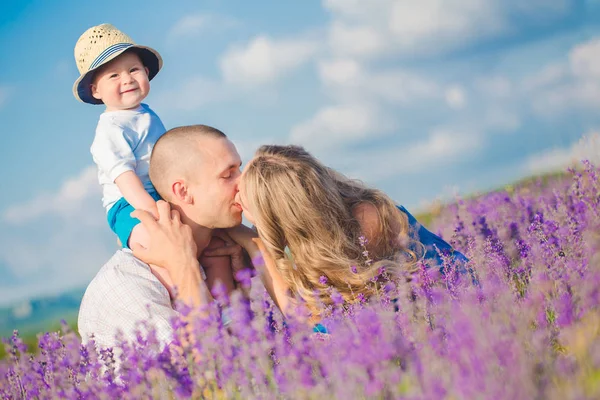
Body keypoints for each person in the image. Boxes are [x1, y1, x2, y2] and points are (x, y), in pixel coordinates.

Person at [73, 23, 235, 297]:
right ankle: (181, 301)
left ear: (146, 73)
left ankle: (228, 304)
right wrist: (156, 213)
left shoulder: (148, 115)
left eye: (133, 70)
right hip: (129, 205)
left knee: (211, 235)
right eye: (113, 75)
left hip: (161, 193)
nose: (127, 79)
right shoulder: (110, 130)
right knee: (165, 249)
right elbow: (125, 179)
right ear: (96, 90)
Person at [78, 125, 248, 349]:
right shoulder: (125, 287)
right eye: (228, 175)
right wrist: (183, 267)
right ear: (182, 191)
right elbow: (205, 370)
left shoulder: (230, 256)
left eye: (240, 170)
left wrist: (254, 255)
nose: (243, 182)